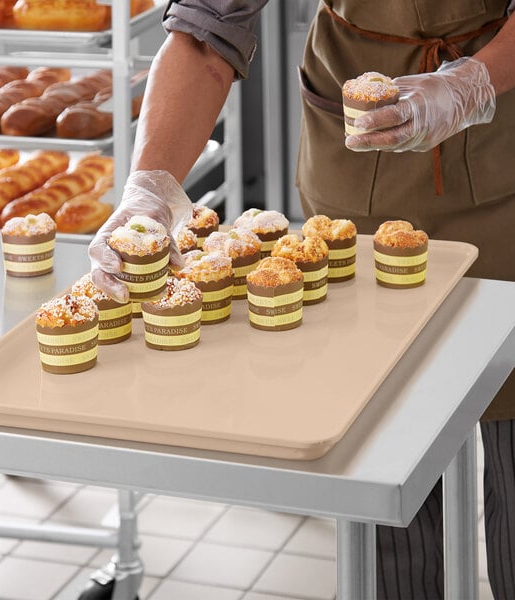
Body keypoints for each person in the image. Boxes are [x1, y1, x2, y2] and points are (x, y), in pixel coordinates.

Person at [85, 2, 515, 599]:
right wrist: (150, 188)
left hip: (507, 144)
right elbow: (205, 34)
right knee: (380, 439)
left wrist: (471, 82)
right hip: (360, 173)